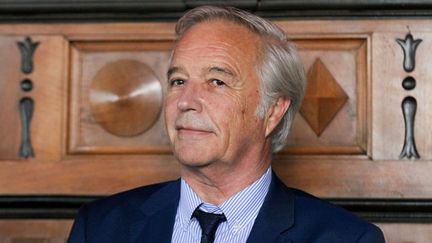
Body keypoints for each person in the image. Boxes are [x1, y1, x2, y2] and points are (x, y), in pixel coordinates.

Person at [68, 5, 385, 243]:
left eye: (216, 81)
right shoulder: (100, 228)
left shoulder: (345, 238)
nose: (186, 100)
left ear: (272, 111)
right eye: (178, 80)